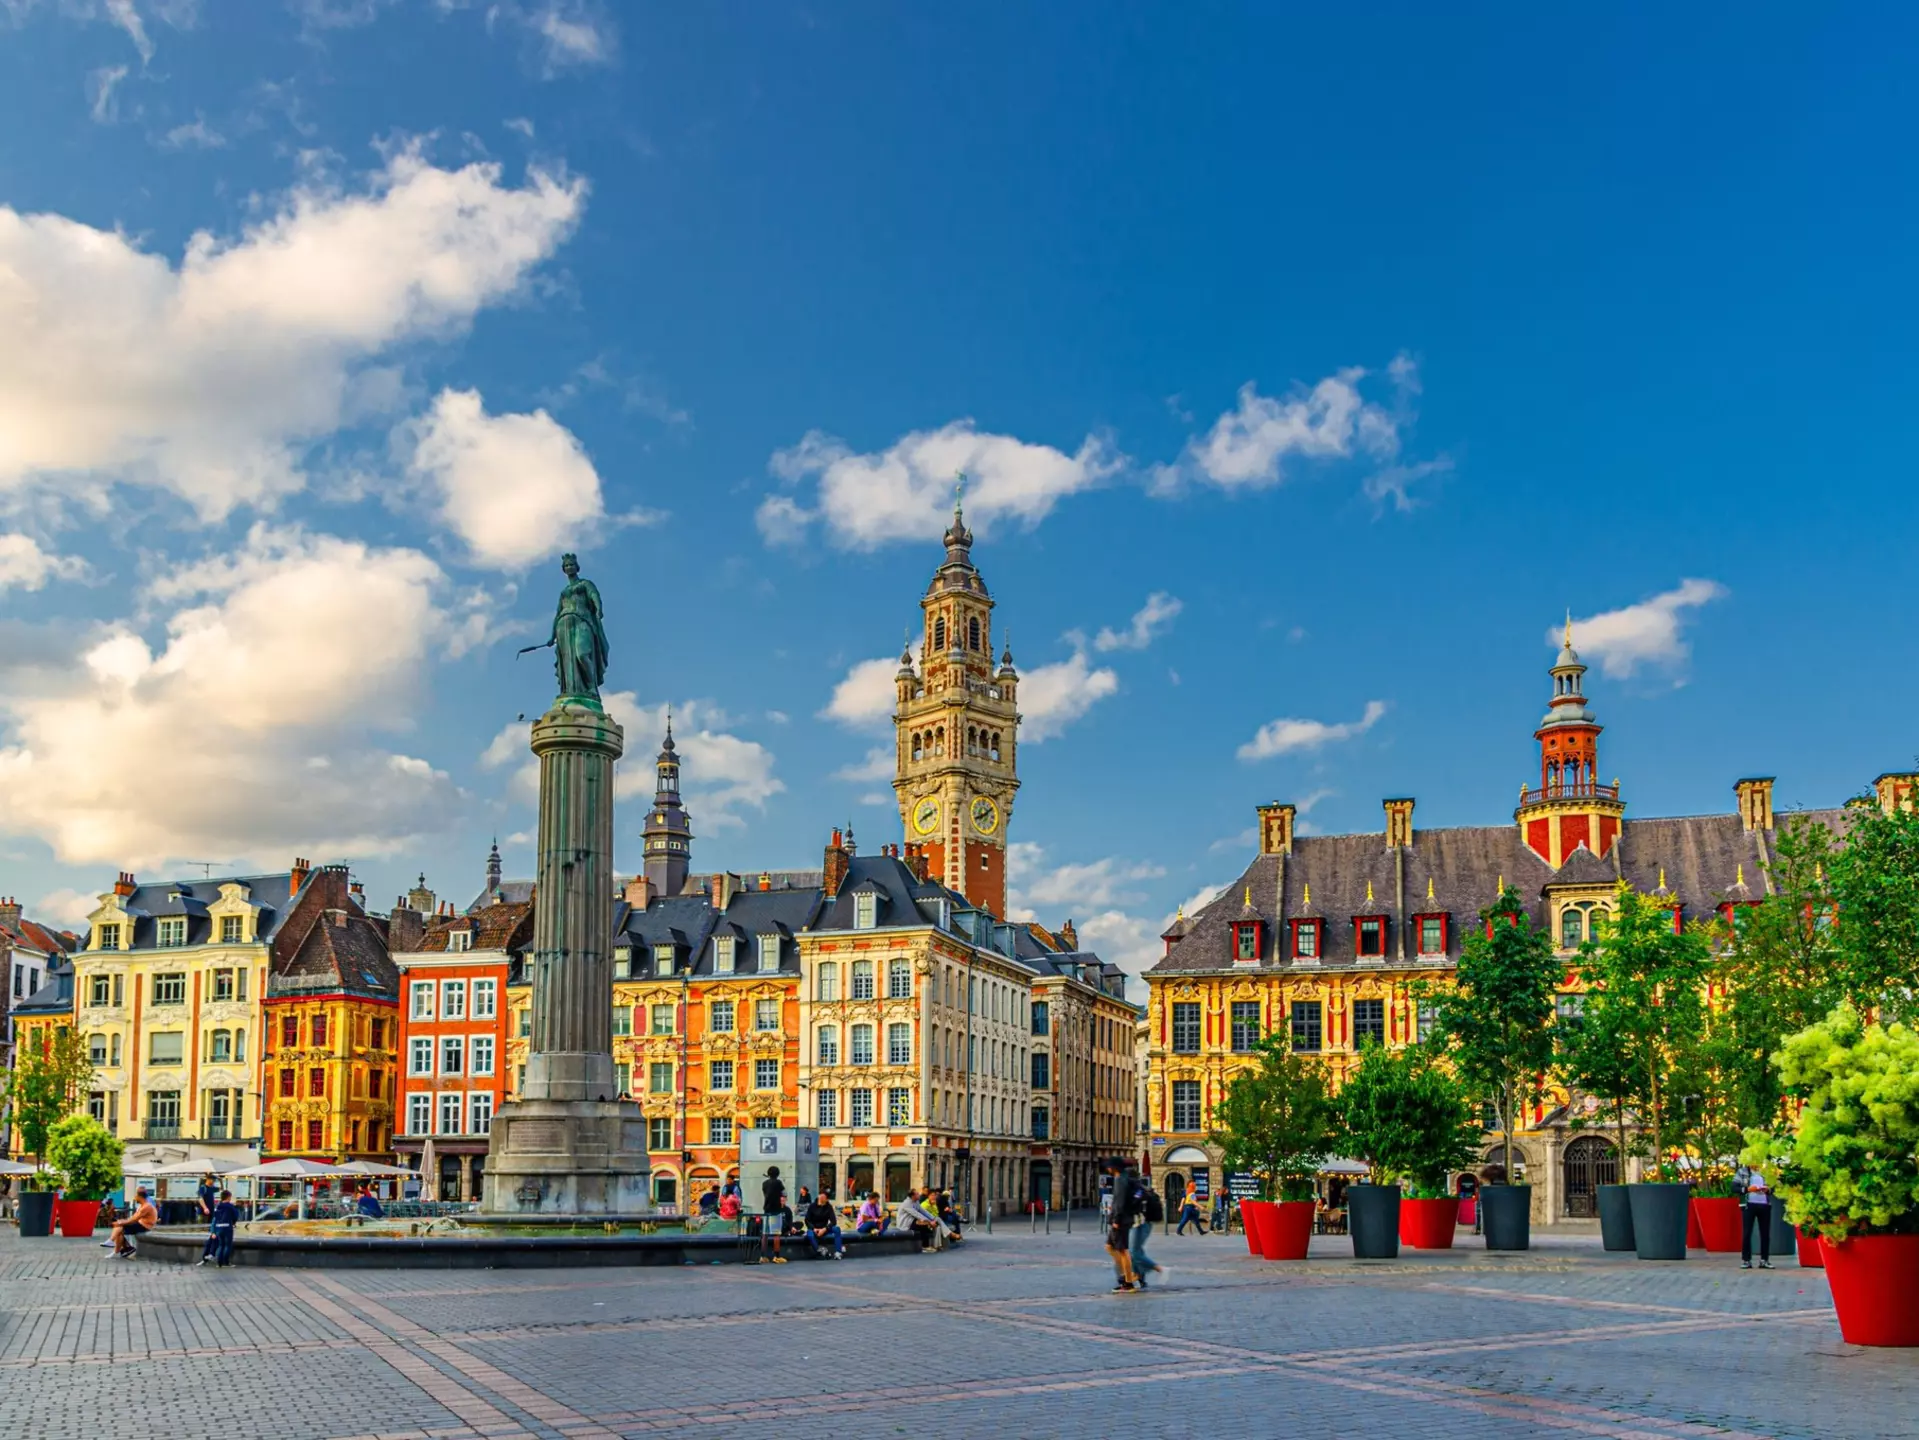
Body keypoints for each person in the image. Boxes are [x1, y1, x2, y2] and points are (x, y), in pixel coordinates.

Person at [1103, 1160, 1139, 1292]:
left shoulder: (1120, 1180)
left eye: (1109, 1167)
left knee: (1123, 1251)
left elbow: (1119, 1201)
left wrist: (1116, 1219)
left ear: (1113, 1168)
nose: (1107, 1169)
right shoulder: (1124, 1179)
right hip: (1124, 1218)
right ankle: (1127, 1275)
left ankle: (1128, 1281)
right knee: (1110, 1247)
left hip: (1121, 1220)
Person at [1127, 1170, 1167, 1289]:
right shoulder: (1141, 1188)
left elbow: (1135, 1204)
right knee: (1135, 1251)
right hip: (1140, 1223)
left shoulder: (1138, 1190)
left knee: (1134, 1252)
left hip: (1139, 1223)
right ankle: (1139, 1277)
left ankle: (1158, 1269)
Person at [1738, 1164, 1774, 1269]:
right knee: (1747, 1233)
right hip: (1748, 1205)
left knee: (1765, 1233)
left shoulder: (1766, 1172)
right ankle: (1746, 1260)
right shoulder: (1743, 1172)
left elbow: (1774, 1188)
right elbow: (1734, 1187)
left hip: (1764, 1205)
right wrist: (1748, 1189)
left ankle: (1764, 1260)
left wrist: (1768, 1190)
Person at [110, 1188, 159, 1259]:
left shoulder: (146, 1206)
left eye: (136, 1196)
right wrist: (122, 1221)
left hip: (144, 1226)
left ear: (140, 1197)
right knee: (119, 1229)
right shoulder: (142, 1206)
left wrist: (121, 1222)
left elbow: (134, 1220)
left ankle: (116, 1247)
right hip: (141, 1224)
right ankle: (125, 1249)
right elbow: (133, 1218)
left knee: (120, 1228)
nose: (134, 1197)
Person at [199, 1189, 240, 1267]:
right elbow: (236, 1216)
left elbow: (215, 1217)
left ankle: (219, 1263)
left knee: (221, 1245)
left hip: (218, 1228)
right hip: (227, 1227)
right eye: (230, 1197)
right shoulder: (230, 1206)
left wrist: (213, 1230)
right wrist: (233, 1222)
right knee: (227, 1245)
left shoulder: (217, 1206)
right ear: (228, 1197)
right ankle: (225, 1262)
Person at [804, 1192, 844, 1259]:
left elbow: (833, 1221)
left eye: (823, 1198)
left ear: (826, 1200)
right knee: (809, 1234)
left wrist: (825, 1229)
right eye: (820, 1197)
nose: (821, 1199)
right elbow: (807, 1220)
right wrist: (814, 1228)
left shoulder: (829, 1207)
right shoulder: (812, 1206)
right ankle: (820, 1251)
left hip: (825, 1229)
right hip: (814, 1229)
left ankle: (838, 1252)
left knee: (837, 1229)